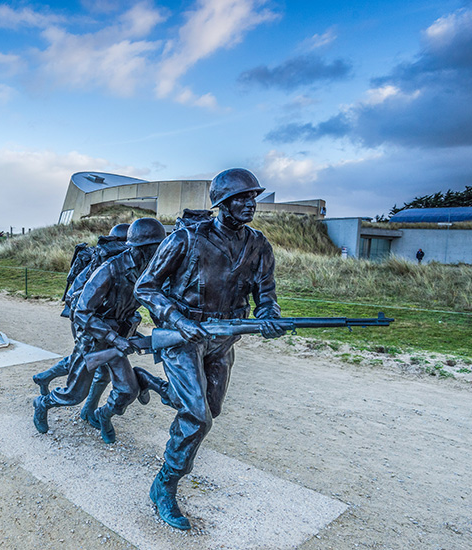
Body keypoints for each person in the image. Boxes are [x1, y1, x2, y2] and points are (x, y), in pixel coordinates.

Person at [134, 168, 285, 530]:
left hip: (223, 339)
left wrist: (269, 318)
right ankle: (165, 484)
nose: (250, 204)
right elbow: (146, 287)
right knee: (197, 417)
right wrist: (177, 319)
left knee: (209, 408)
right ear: (222, 203)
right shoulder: (186, 238)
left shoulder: (259, 245)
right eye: (241, 198)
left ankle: (154, 385)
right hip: (184, 337)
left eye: (252, 197)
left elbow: (266, 297)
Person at [33, 218, 167, 443]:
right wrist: (113, 337)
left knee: (127, 390)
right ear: (141, 247)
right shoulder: (110, 270)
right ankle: (42, 403)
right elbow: (82, 313)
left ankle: (102, 415)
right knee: (74, 394)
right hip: (94, 339)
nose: (161, 252)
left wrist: (165, 330)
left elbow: (154, 303)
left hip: (119, 339)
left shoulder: (148, 272)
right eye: (156, 247)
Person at [31, 224, 130, 425]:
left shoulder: (131, 267)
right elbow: (75, 298)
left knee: (99, 370)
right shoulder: (102, 263)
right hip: (89, 325)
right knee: (83, 370)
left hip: (110, 327)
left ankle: (87, 409)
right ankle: (47, 401)